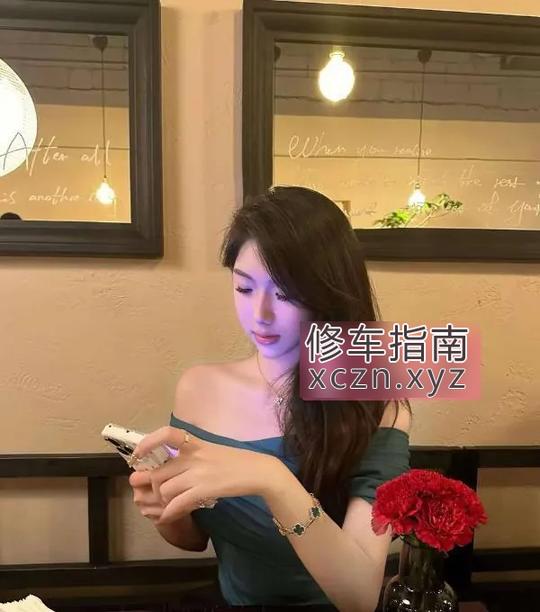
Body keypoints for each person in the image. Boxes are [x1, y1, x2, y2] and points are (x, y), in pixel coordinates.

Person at [129, 186, 412, 611]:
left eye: (284, 294)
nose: (259, 315)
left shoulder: (376, 402)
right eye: (244, 289)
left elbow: (359, 596)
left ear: (330, 295)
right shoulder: (198, 388)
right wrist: (164, 510)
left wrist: (273, 479)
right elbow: (194, 539)